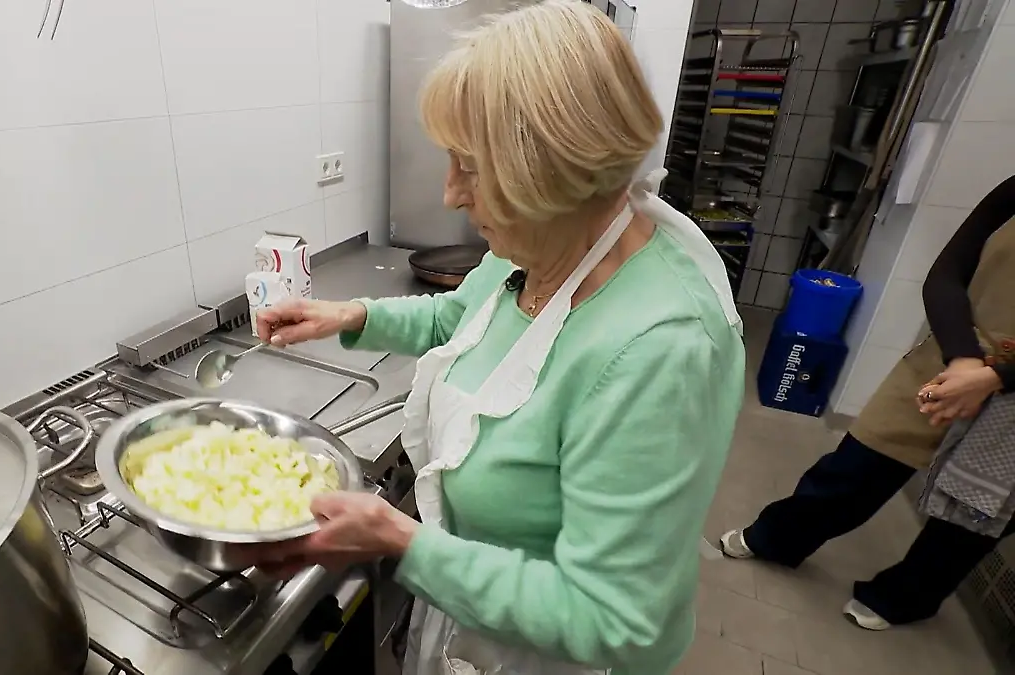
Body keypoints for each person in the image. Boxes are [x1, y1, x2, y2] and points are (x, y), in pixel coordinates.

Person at [244, 2, 746, 674]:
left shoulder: (660, 349)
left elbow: (615, 620)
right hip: (473, 622)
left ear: (556, 168)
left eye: (470, 167)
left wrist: (400, 541)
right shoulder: (542, 243)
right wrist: (351, 316)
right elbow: (464, 319)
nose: (451, 194)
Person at [720, 174, 1015, 631]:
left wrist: (998, 378)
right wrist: (963, 360)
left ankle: (903, 597)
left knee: (972, 517)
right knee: (857, 467)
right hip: (957, 355)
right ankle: (777, 538)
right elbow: (946, 274)